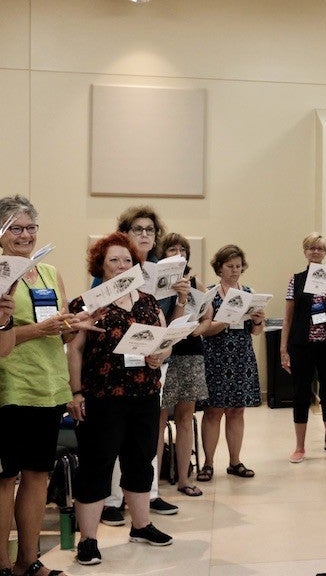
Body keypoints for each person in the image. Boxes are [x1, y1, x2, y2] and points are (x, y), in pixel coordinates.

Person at [68, 232, 175, 566]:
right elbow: (75, 350)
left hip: (144, 394)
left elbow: (165, 340)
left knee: (141, 460)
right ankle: (88, 540)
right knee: (97, 464)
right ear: (100, 265)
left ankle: (141, 526)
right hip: (102, 396)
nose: (121, 265)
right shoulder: (87, 303)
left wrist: (161, 354)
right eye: (113, 260)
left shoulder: (148, 301)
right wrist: (75, 392)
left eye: (127, 260)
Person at [0, 196, 81, 576]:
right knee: (6, 479)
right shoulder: (0, 273)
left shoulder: (49, 272)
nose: (25, 235)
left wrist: (72, 327)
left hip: (48, 387)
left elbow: (60, 335)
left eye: (30, 228)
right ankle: (1, 563)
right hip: (11, 387)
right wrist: (37, 330)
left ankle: (28, 561)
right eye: (15, 228)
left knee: (38, 474)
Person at [101, 206, 178, 525]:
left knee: (148, 431)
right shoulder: (114, 264)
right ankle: (112, 499)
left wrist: (183, 299)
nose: (145, 234)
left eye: (150, 230)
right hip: (117, 365)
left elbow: (168, 321)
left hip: (153, 360)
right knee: (117, 432)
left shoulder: (165, 269)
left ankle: (149, 494)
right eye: (138, 229)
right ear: (125, 234)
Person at [197, 245, 264, 482]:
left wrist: (257, 320)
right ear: (219, 268)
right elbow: (205, 330)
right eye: (229, 266)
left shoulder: (248, 292)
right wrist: (228, 318)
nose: (235, 271)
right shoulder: (210, 295)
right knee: (213, 411)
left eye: (238, 266)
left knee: (237, 410)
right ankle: (208, 463)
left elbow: (255, 332)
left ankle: (235, 461)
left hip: (241, 357)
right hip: (216, 357)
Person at [280, 233, 326, 464]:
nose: (315, 252)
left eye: (319, 248)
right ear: (305, 251)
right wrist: (283, 350)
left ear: (325, 252)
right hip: (301, 344)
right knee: (300, 393)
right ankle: (299, 447)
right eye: (311, 248)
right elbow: (287, 318)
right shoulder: (296, 279)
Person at [156, 233, 211, 497]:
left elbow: (207, 316)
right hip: (162, 353)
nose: (178, 253)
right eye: (172, 249)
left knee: (185, 417)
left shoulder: (194, 280)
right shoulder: (154, 278)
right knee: (159, 417)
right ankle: (152, 485)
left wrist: (196, 329)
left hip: (189, 352)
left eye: (182, 249)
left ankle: (183, 479)